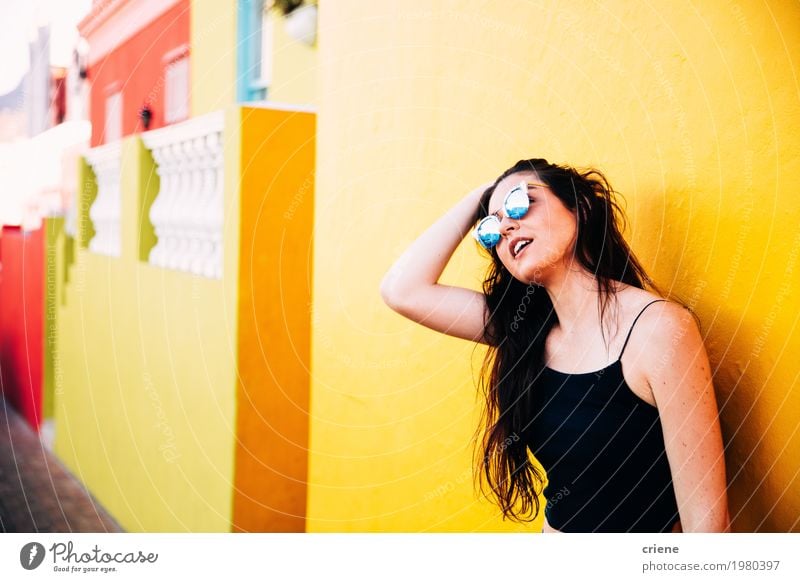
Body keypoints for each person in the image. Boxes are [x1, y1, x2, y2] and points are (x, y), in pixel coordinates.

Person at [380, 158, 730, 533]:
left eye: (519, 202)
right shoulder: (525, 331)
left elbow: (708, 528)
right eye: (491, 226)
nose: (506, 226)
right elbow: (402, 290)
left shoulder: (658, 330)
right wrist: (481, 194)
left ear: (580, 207)